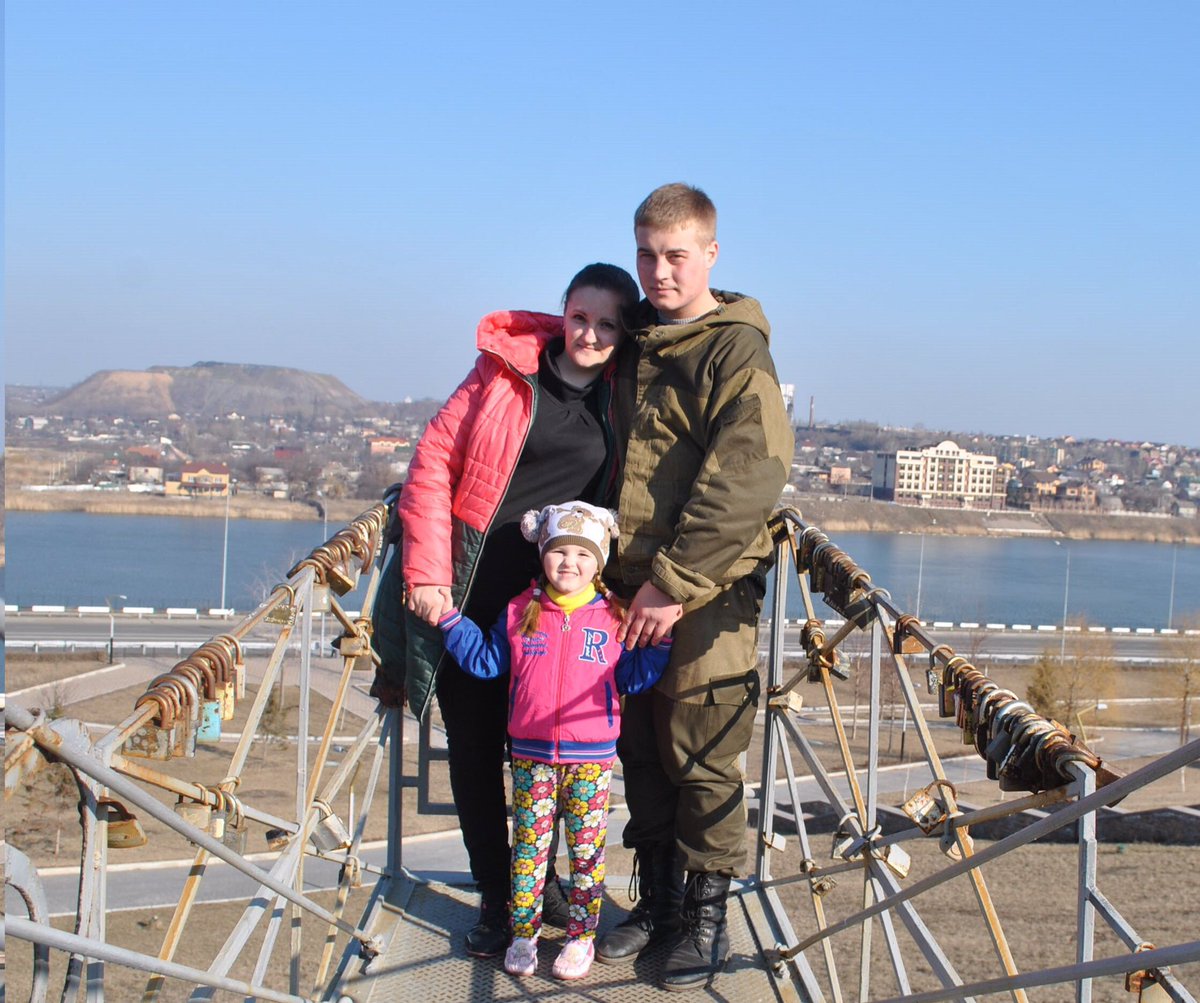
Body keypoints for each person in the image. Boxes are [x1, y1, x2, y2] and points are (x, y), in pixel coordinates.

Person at [371, 263, 640, 959]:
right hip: (477, 585)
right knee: (474, 747)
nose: (590, 334)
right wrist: (428, 574)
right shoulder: (502, 371)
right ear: (562, 312)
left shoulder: (626, 394)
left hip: (565, 599)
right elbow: (433, 462)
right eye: (580, 317)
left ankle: (543, 887)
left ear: (624, 332)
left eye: (607, 324)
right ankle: (499, 894)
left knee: (550, 750)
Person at [594, 183, 795, 990]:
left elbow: (748, 475)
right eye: (647, 255)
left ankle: (705, 919)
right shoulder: (636, 340)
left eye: (676, 255)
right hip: (626, 586)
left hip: (705, 592)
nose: (660, 271)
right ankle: (660, 901)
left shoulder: (735, 352)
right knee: (641, 746)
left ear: (711, 253)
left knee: (704, 750)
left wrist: (674, 581)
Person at [438, 501, 671, 980]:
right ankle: (524, 933)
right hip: (532, 758)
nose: (570, 563)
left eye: (583, 554)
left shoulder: (614, 616)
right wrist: (449, 622)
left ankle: (581, 937)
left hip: (591, 762)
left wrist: (663, 642)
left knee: (586, 854)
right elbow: (486, 661)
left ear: (598, 563)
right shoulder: (518, 611)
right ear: (542, 553)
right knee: (528, 852)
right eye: (559, 551)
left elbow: (632, 676)